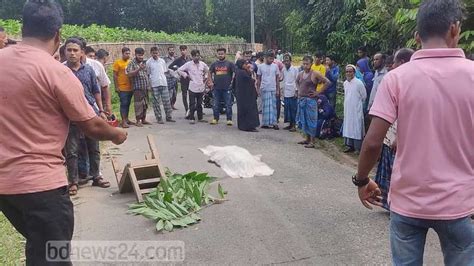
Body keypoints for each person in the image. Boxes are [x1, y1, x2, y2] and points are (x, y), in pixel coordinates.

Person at [0, 1, 127, 264]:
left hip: (6, 189)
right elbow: (90, 125)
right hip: (40, 185)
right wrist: (116, 135)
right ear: (58, 34)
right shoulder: (56, 72)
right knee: (52, 257)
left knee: (39, 249)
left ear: (23, 27)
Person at [355, 1, 473, 264]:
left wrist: (362, 180)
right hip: (458, 204)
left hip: (408, 203)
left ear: (417, 36)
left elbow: (373, 141)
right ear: (455, 30)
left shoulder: (397, 78)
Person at [64, 37, 111, 196]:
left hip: (91, 113)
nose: (72, 53)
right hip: (70, 117)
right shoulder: (60, 70)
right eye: (69, 50)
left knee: (94, 147)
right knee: (72, 151)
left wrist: (102, 110)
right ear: (65, 52)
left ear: (82, 53)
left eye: (75, 50)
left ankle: (96, 176)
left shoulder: (89, 70)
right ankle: (73, 182)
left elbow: (96, 91)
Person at [373, 48, 414, 211]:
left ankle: (397, 206)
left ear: (402, 63)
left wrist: (399, 136)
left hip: (399, 136)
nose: (391, 66)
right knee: (388, 168)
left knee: (396, 172)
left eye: (394, 62)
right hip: (390, 133)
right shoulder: (397, 79)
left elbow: (408, 114)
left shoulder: (408, 82)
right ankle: (387, 202)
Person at [296, 56, 330, 148]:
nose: (305, 65)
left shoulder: (315, 73)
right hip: (302, 99)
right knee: (305, 120)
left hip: (311, 100)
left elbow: (327, 82)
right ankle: (307, 139)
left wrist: (317, 92)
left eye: (307, 64)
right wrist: (299, 91)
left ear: (311, 64)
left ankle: (312, 141)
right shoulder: (300, 74)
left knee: (312, 120)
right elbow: (297, 82)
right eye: (304, 63)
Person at [177, 49, 209, 124]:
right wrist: (186, 75)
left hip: (200, 87)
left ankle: (200, 118)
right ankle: (192, 118)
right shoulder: (188, 64)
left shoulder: (202, 64)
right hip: (192, 87)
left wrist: (206, 76)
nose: (196, 57)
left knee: (199, 104)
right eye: (194, 56)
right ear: (192, 57)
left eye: (198, 56)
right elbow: (179, 70)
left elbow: (207, 70)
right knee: (192, 104)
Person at [146, 46, 175, 124]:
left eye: (156, 53)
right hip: (154, 84)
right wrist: (149, 85)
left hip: (163, 83)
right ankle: (159, 118)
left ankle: (169, 117)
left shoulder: (162, 61)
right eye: (153, 53)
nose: (155, 54)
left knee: (167, 101)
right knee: (156, 103)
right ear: (151, 53)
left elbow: (165, 72)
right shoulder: (148, 62)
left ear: (159, 53)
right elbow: (148, 74)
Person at [342, 64, 366, 153]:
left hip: (356, 109)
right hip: (348, 109)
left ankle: (357, 148)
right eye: (347, 71)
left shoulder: (359, 83)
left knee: (356, 127)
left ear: (354, 72)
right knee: (348, 127)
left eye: (350, 71)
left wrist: (357, 104)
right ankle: (349, 146)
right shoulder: (345, 83)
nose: (348, 73)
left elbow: (364, 96)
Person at [209, 48, 235, 126]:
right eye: (219, 54)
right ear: (217, 54)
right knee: (215, 104)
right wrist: (210, 82)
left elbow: (235, 73)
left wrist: (232, 82)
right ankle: (215, 119)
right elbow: (209, 73)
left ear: (225, 54)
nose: (220, 55)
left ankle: (229, 119)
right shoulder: (214, 64)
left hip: (227, 88)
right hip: (216, 88)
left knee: (228, 104)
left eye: (222, 54)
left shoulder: (229, 64)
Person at [126, 47, 151, 127]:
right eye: (139, 55)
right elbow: (129, 74)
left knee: (145, 104)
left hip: (145, 87)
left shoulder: (143, 62)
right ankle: (138, 121)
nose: (141, 57)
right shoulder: (132, 63)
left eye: (142, 55)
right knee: (138, 104)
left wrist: (149, 85)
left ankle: (143, 119)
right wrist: (138, 69)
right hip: (138, 88)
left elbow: (147, 74)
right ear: (135, 54)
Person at [257, 51, 280, 130]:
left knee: (273, 106)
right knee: (265, 106)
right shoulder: (260, 66)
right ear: (265, 58)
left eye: (272, 58)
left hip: (273, 88)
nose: (271, 60)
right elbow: (258, 79)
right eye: (270, 58)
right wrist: (258, 89)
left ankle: (274, 123)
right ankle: (265, 123)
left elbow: (277, 79)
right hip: (264, 88)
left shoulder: (275, 66)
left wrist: (278, 90)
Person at [235, 59, 260, 132]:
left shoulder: (239, 72)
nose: (247, 66)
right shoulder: (242, 73)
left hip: (243, 95)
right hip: (246, 96)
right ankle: (249, 126)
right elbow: (250, 81)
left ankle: (243, 126)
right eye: (245, 64)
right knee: (249, 110)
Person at [113, 47, 134, 128]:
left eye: (129, 53)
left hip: (130, 87)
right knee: (124, 104)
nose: (128, 55)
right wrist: (116, 87)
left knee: (128, 104)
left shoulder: (130, 62)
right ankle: (123, 121)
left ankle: (127, 119)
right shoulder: (117, 63)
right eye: (126, 53)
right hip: (122, 87)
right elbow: (115, 75)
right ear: (122, 53)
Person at [169, 45, 191, 117]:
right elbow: (170, 66)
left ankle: (192, 109)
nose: (182, 51)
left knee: (192, 95)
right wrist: (178, 70)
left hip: (191, 79)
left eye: (184, 50)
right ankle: (186, 110)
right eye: (181, 50)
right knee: (184, 95)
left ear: (186, 50)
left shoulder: (190, 59)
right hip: (183, 79)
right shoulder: (178, 60)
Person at [281, 55, 299, 131]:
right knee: (287, 109)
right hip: (286, 91)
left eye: (287, 60)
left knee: (293, 109)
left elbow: (297, 81)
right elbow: (283, 80)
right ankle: (289, 125)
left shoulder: (295, 69)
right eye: (285, 61)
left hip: (293, 91)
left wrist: (296, 91)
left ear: (290, 61)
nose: (286, 62)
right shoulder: (283, 69)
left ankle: (294, 126)